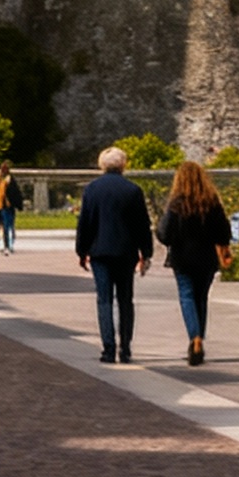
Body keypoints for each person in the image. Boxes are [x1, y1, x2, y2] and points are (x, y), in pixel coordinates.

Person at [76, 146, 154, 365]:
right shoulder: (133, 190)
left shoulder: (92, 189)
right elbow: (142, 225)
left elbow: (86, 223)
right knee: (125, 300)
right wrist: (146, 252)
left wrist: (82, 250)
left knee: (104, 300)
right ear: (123, 165)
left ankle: (108, 349)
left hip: (100, 251)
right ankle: (125, 348)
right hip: (126, 251)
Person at [156, 159, 233, 366]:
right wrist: (224, 248)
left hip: (182, 258)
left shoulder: (176, 204)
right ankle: (199, 339)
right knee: (201, 298)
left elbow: (164, 234)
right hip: (207, 258)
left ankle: (194, 337)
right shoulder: (211, 202)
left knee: (187, 296)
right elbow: (223, 232)